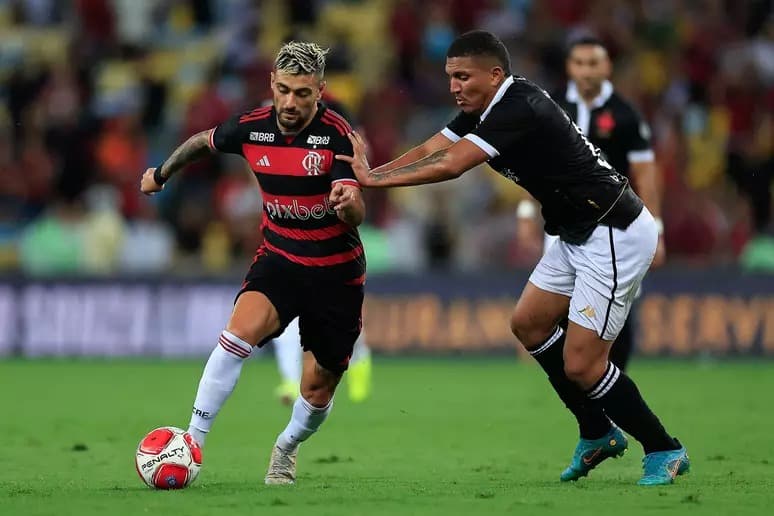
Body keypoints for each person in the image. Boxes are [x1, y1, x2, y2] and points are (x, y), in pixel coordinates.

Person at [337, 30, 689, 486]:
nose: (454, 87)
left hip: (612, 231)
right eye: (450, 77)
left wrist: (373, 182)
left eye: (463, 76)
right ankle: (597, 431)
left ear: (495, 74)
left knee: (583, 364)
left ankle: (664, 448)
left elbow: (451, 165)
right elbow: (430, 149)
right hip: (573, 232)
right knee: (529, 325)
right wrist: (366, 178)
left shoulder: (517, 105)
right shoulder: (481, 108)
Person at [140, 41, 366, 486]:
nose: (290, 102)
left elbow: (357, 206)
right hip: (280, 258)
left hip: (335, 273)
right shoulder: (252, 126)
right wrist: (161, 173)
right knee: (234, 336)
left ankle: (286, 447)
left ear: (320, 90)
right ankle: (193, 440)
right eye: (283, 90)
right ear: (271, 84)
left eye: (302, 93)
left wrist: (349, 203)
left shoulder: (338, 134)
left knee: (317, 390)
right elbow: (201, 143)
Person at [517, 36, 664, 371]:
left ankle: (613, 379)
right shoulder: (552, 108)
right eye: (579, 64)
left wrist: (658, 228)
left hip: (617, 227)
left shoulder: (625, 116)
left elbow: (645, 175)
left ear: (607, 67)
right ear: (570, 67)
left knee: (619, 306)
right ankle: (585, 386)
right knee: (564, 306)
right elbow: (537, 166)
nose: (586, 71)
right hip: (564, 223)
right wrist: (526, 215)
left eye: (593, 63)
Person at [272, 92, 373, 406]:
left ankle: (360, 361)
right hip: (292, 237)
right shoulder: (276, 122)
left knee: (338, 315)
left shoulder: (334, 115)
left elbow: (358, 153)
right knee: (285, 309)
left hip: (333, 236)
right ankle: (291, 381)